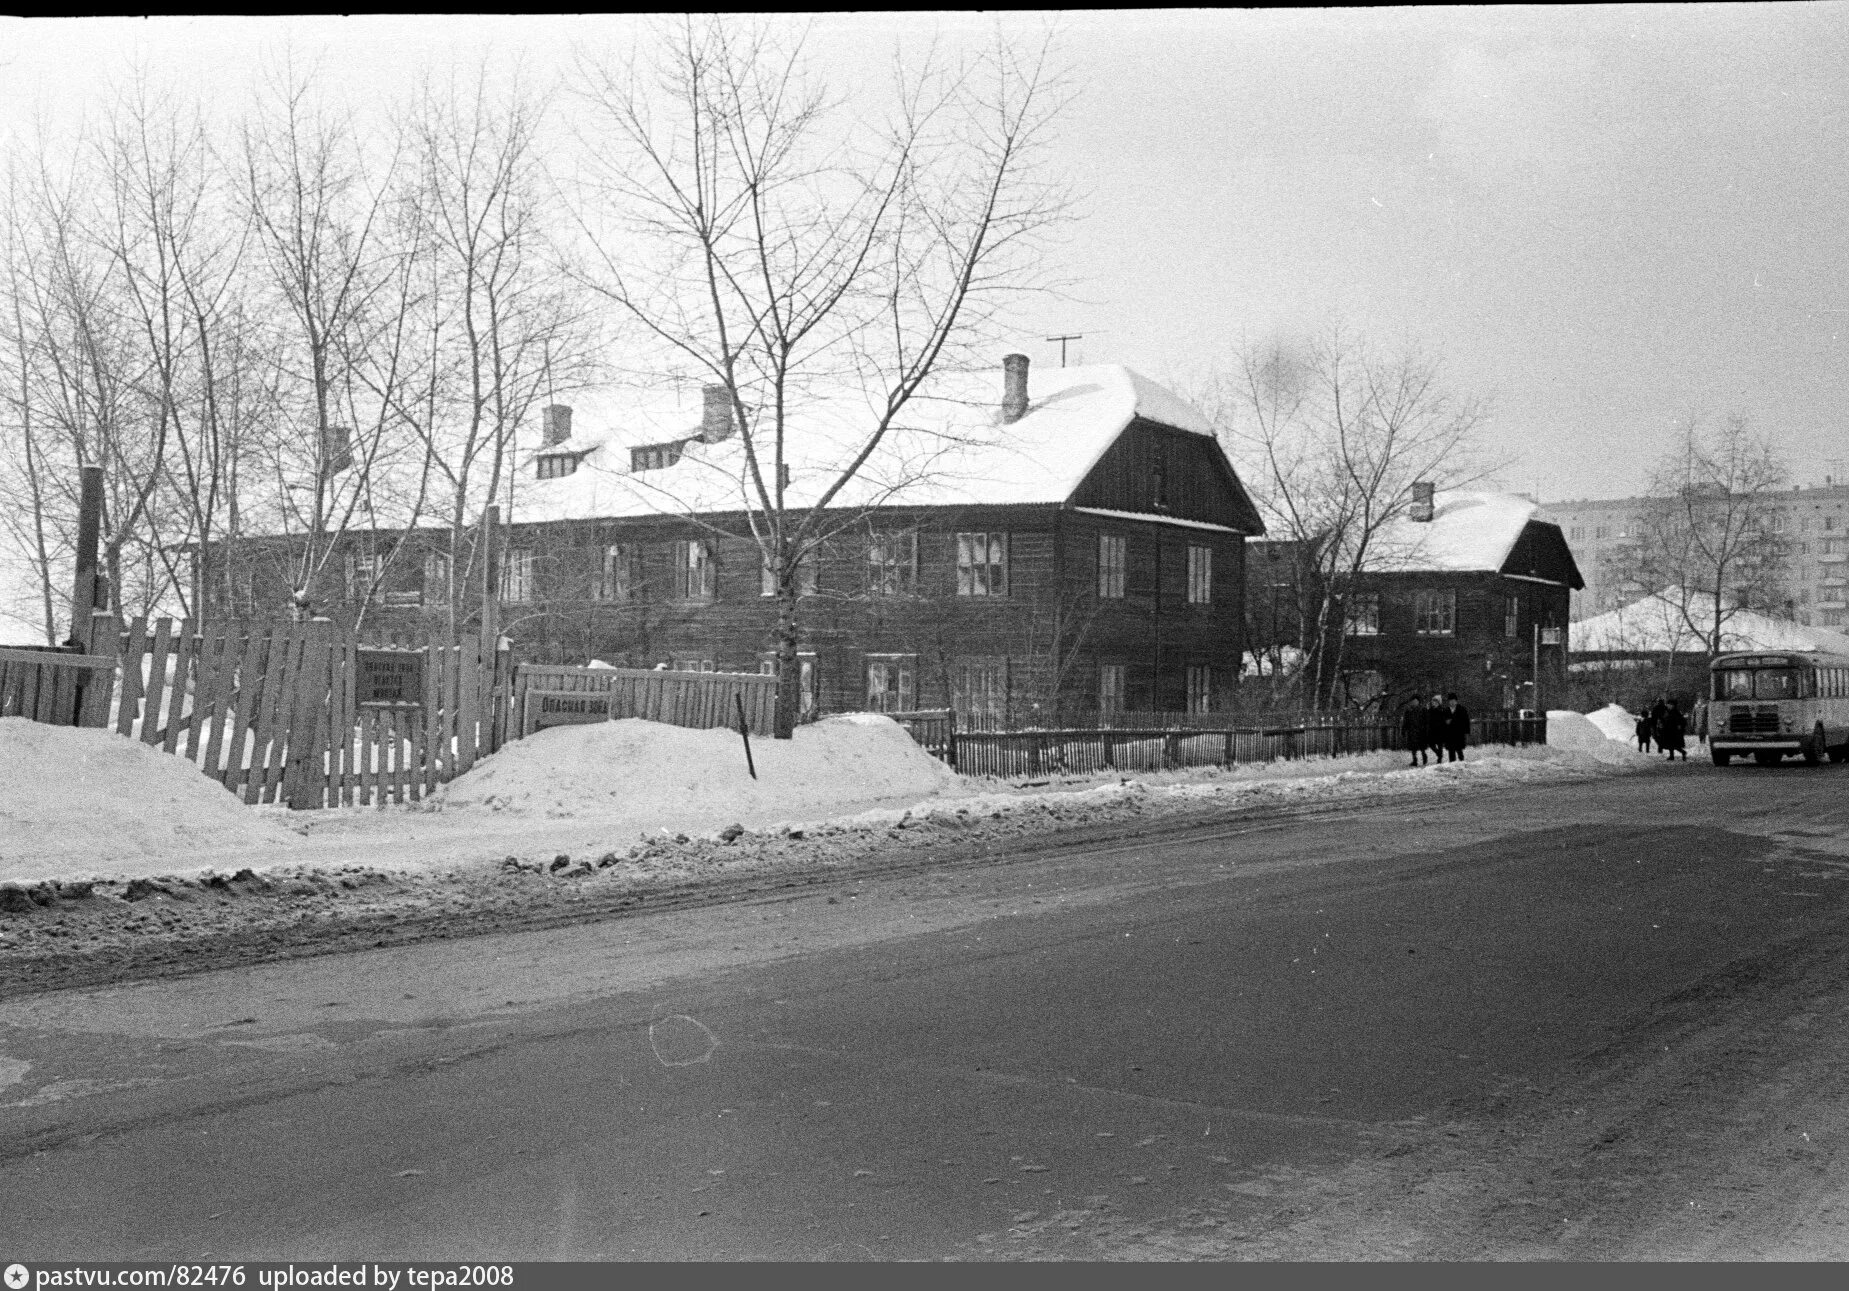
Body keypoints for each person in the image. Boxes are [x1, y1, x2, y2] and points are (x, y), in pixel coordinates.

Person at [1400, 696, 1431, 767]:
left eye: (1415, 701)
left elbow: (1427, 721)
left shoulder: (1423, 710)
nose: (1414, 703)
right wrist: (1403, 730)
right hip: (1412, 731)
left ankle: (1424, 756)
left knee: (1422, 746)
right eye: (1412, 701)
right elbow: (1405, 722)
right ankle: (1415, 760)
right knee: (1413, 747)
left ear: (1418, 702)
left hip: (1421, 731)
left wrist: (1426, 730)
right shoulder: (1408, 711)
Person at [1441, 692, 1471, 762]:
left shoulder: (1462, 709)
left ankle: (1462, 761)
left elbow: (1466, 721)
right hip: (1449, 734)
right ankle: (1452, 764)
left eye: (1453, 701)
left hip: (1458, 733)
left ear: (1456, 701)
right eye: (1450, 701)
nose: (1452, 703)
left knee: (1459, 749)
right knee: (1451, 751)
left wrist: (1467, 732)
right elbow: (1442, 722)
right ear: (1448, 702)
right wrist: (1445, 722)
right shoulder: (1446, 710)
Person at [1428, 693, 1448, 764]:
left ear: (1439, 703)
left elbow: (1445, 720)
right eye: (1433, 702)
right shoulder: (1430, 710)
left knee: (1440, 744)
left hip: (1440, 730)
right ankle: (1439, 754)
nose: (1434, 703)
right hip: (1432, 730)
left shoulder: (1442, 710)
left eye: (1436, 702)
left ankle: (1439, 759)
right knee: (1431, 744)